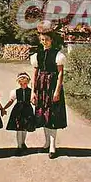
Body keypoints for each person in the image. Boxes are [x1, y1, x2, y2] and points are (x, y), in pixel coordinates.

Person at [30, 20, 67, 159]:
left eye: (46, 39)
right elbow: (34, 73)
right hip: (41, 87)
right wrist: (33, 91)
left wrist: (57, 91)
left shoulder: (58, 55)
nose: (44, 42)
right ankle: (46, 142)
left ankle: (52, 145)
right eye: (42, 40)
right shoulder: (37, 55)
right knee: (43, 115)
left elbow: (61, 74)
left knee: (52, 116)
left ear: (51, 40)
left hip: (52, 87)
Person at [3, 72, 36, 155]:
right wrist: (4, 108)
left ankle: (23, 143)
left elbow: (33, 101)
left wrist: (34, 101)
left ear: (28, 82)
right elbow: (11, 101)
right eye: (21, 83)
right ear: (18, 83)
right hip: (18, 111)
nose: (23, 85)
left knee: (25, 129)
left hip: (27, 111)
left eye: (25, 83)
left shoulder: (31, 91)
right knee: (19, 129)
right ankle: (19, 146)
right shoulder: (15, 92)